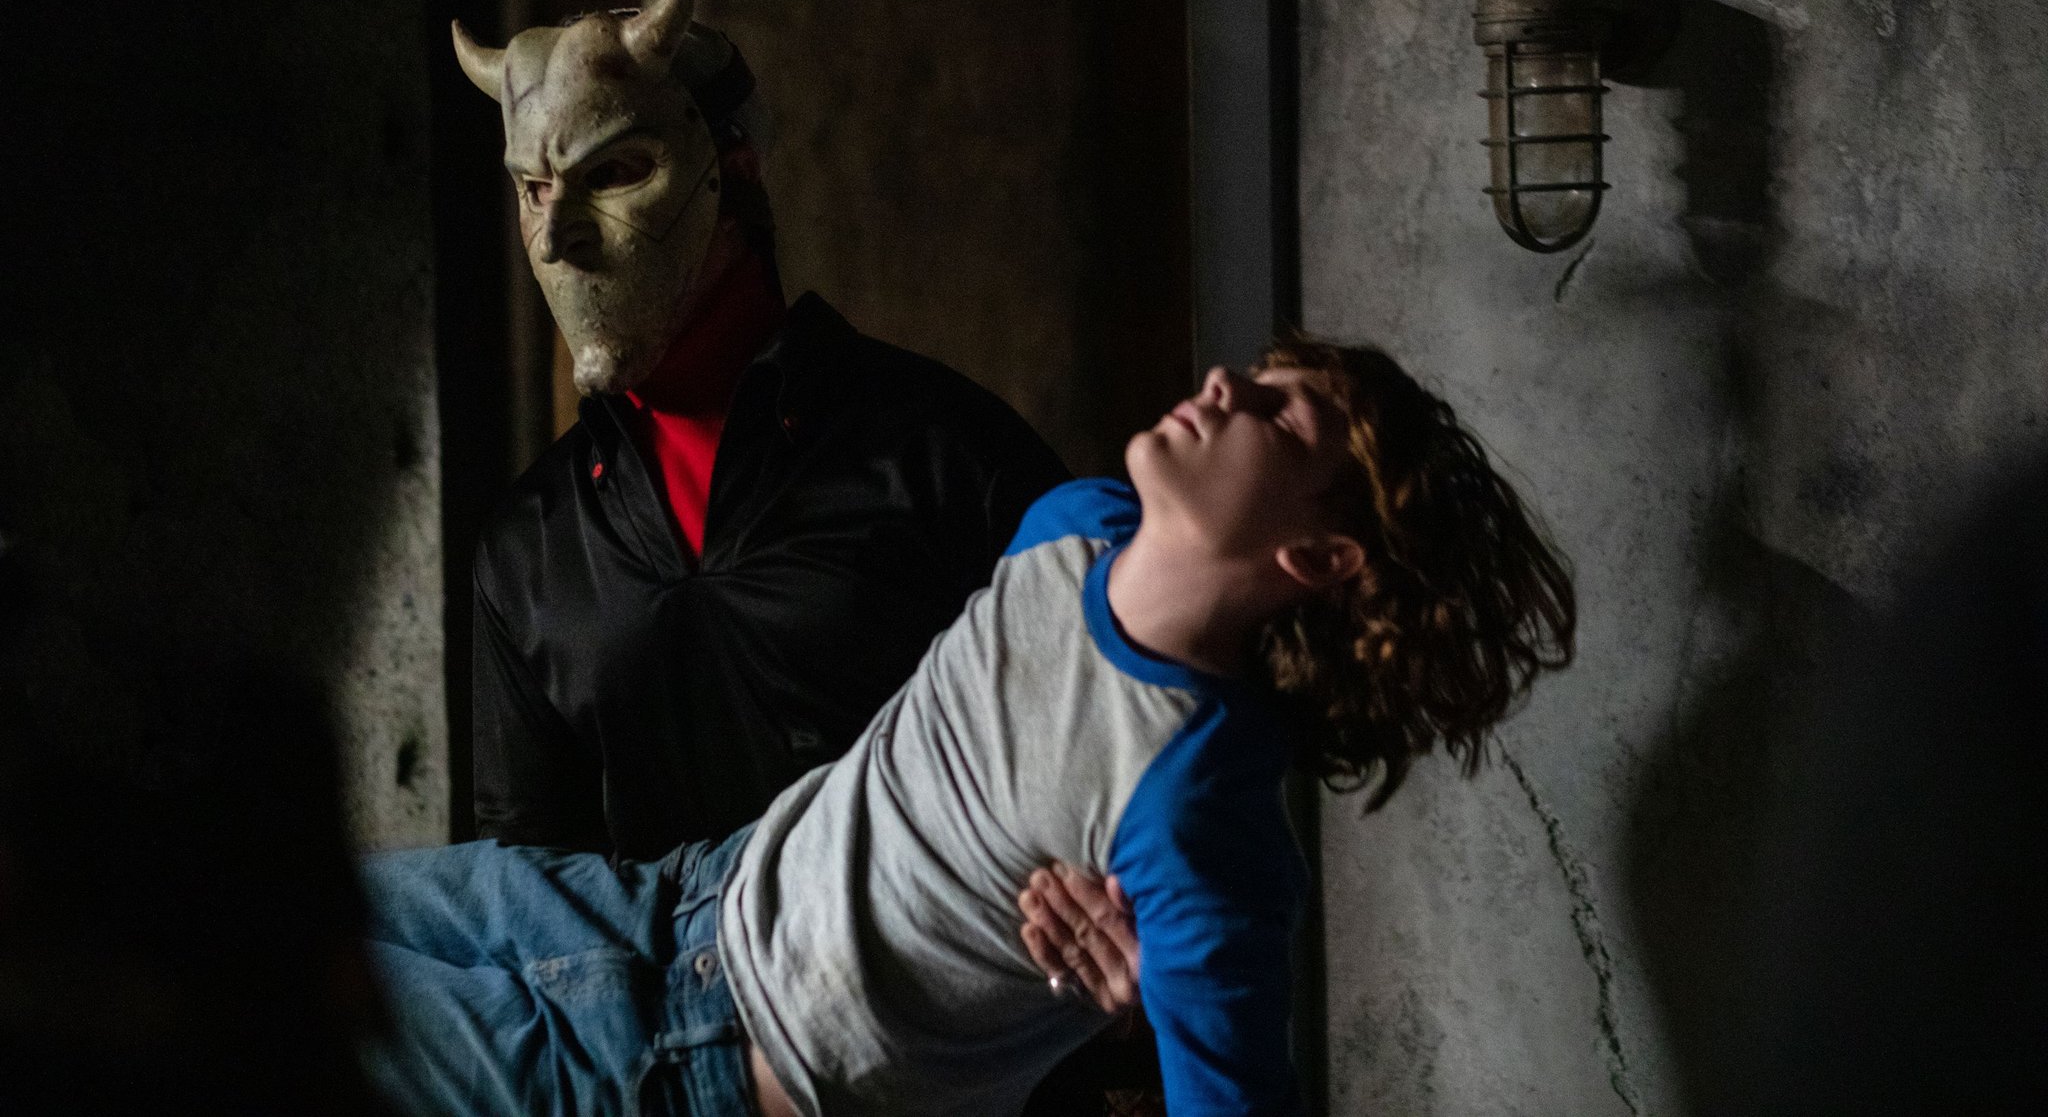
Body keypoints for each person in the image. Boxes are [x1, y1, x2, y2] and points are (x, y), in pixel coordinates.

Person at [362, 336, 1575, 1116]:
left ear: (1318, 555)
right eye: (1257, 370)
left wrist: (1152, 1004)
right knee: (273, 909)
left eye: (1280, 416)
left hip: (690, 1067)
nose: (1225, 385)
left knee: (269, 1021)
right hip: (668, 901)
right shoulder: (1072, 521)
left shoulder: (1194, 809)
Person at [450, 0, 1067, 862]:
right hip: (659, 959)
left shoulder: (945, 454)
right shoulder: (530, 548)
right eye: (534, 188)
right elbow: (527, 886)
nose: (556, 235)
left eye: (613, 172)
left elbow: (1095, 748)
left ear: (732, 171)